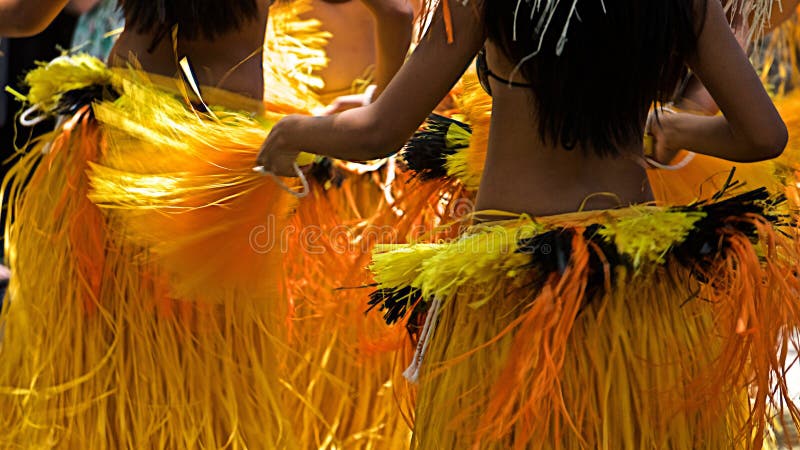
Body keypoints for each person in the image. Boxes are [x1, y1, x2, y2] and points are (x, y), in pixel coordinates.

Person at [258, 0, 800, 447]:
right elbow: (762, 135)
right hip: (634, 290)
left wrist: (288, 135)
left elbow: (376, 134)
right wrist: (673, 127)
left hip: (507, 294)